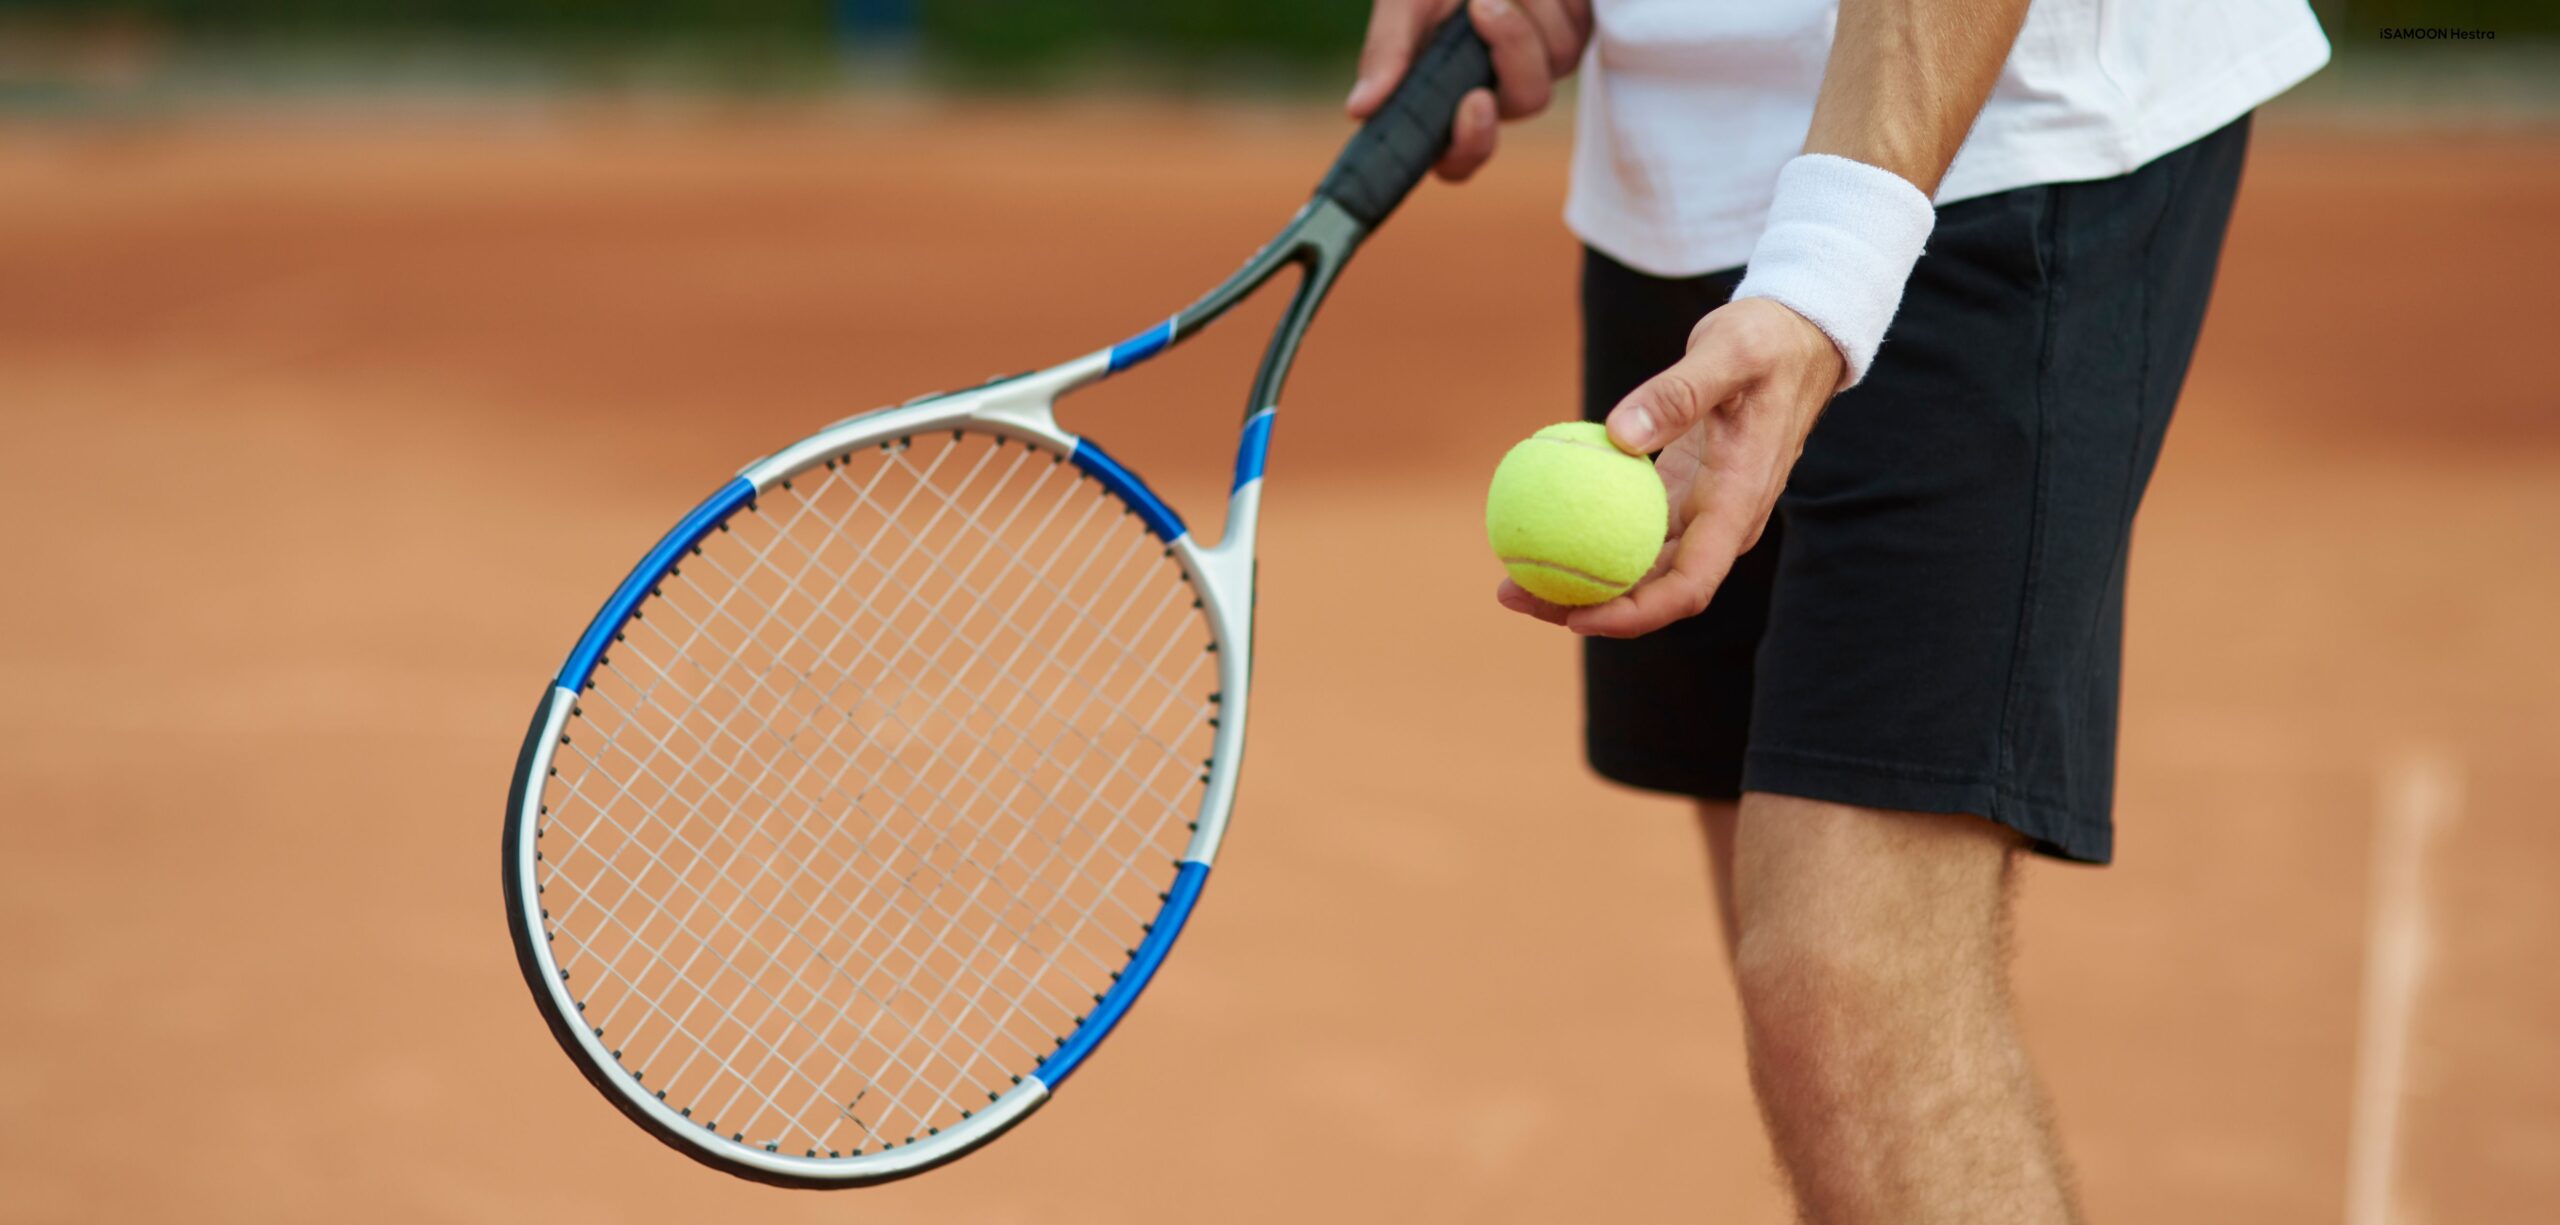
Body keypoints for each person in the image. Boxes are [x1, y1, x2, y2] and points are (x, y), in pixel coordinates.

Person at [1348, 0, 2329, 1220]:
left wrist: (1827, 274)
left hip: (1994, 138)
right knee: (1793, 990)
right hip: (1675, 174)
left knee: (1844, 999)